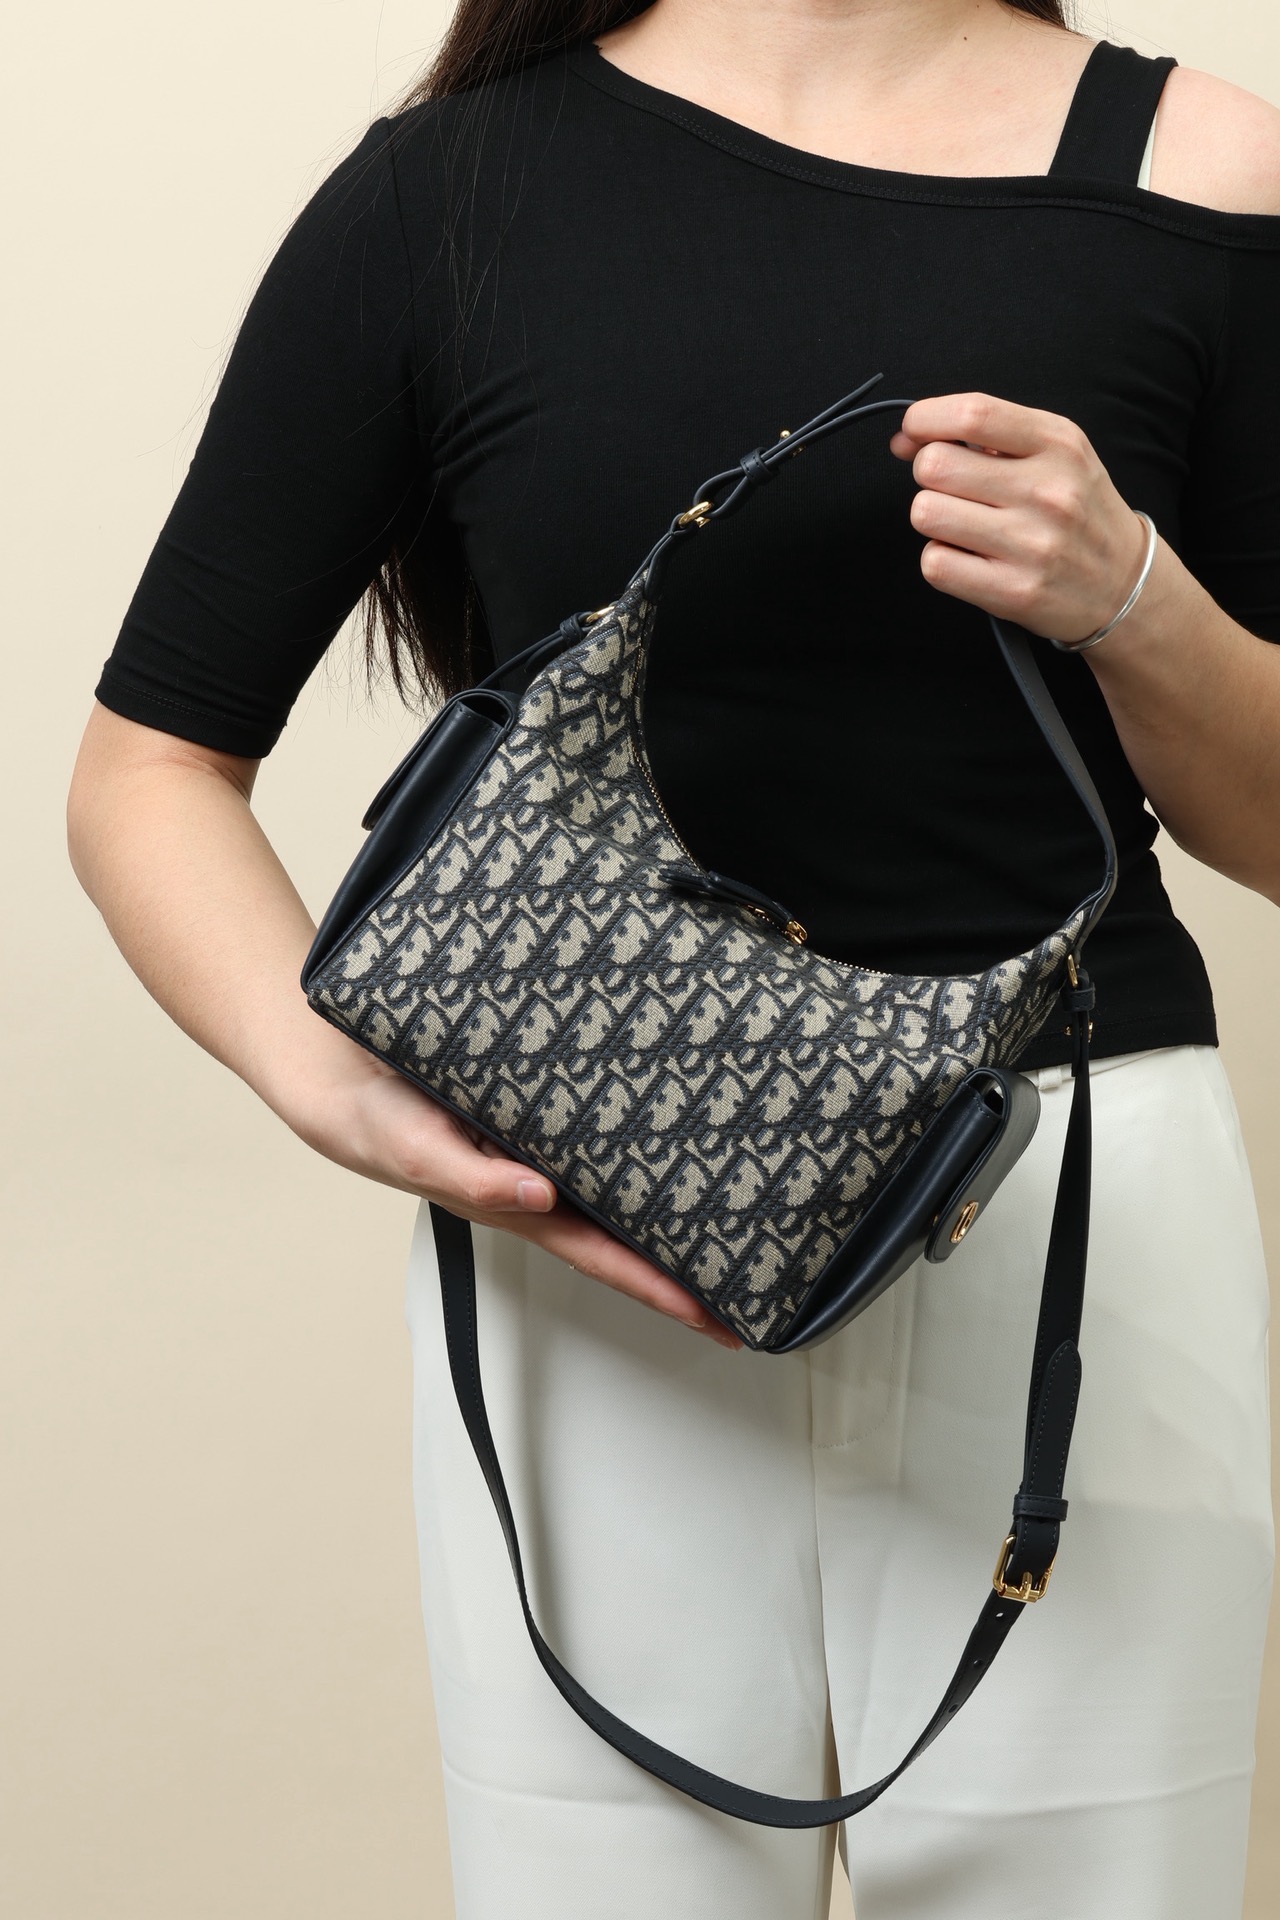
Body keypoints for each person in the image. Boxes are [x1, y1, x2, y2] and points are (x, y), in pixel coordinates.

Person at [68, 2, 1280, 1915]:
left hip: (1070, 1221)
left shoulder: (1207, 176)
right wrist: (344, 1093)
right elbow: (147, 767)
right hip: (598, 1237)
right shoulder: (450, 193)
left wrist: (1135, 596)